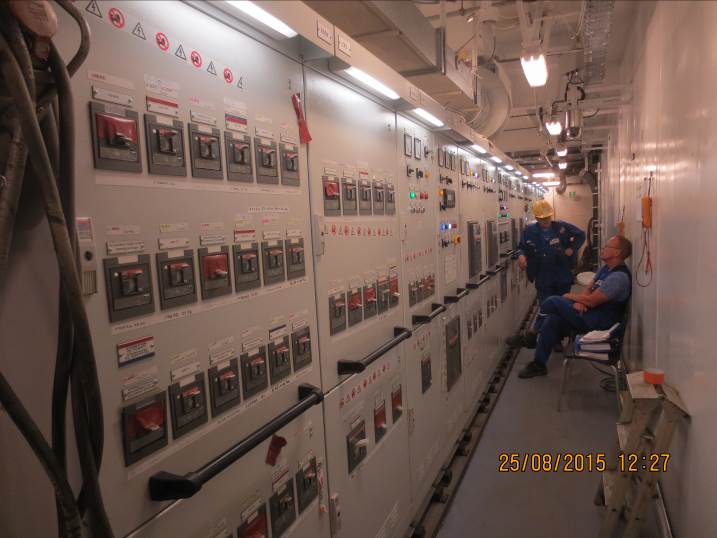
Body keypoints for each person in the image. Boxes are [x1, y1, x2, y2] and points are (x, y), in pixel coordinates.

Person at [518, 235, 633, 378]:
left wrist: (570, 296)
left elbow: (592, 301)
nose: (603, 249)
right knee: (552, 320)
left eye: (607, 247)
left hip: (599, 322)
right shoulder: (606, 269)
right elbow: (590, 289)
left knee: (553, 301)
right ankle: (539, 365)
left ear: (616, 253)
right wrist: (581, 302)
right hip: (589, 314)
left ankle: (532, 335)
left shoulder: (618, 277)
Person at [506, 199, 585, 348]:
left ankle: (553, 339)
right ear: (536, 218)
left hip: (562, 275)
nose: (546, 221)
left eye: (548, 217)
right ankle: (539, 337)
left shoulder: (561, 227)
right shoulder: (530, 231)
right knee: (545, 306)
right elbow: (521, 247)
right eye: (542, 219)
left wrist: (572, 248)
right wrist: (521, 256)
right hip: (543, 275)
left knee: (560, 306)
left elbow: (581, 235)